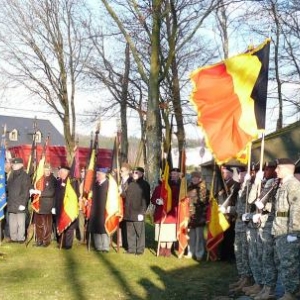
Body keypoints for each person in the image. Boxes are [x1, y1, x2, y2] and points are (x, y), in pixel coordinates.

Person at [246, 162, 279, 299]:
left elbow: (277, 206)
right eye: (263, 170)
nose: (264, 172)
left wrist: (265, 208)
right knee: (258, 256)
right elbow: (251, 200)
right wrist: (255, 184)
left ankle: (268, 288)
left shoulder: (275, 184)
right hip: (259, 224)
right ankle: (261, 284)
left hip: (268, 225)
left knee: (267, 258)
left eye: (267, 169)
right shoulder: (262, 182)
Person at [271, 158, 300, 300]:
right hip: (279, 231)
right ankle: (289, 291)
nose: (275, 170)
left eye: (278, 168)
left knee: (290, 264)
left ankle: (291, 293)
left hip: (288, 233)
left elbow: (296, 209)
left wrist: (294, 232)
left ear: (286, 169)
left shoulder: (293, 185)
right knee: (282, 263)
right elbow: (281, 210)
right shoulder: (283, 185)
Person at [228, 167, 253, 294]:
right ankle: (242, 277)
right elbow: (239, 208)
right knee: (238, 251)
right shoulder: (239, 188)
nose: (238, 176)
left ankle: (247, 279)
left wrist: (249, 184)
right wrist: (229, 210)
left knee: (244, 252)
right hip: (238, 224)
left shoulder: (250, 187)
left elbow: (250, 204)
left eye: (240, 173)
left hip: (246, 225)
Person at [151, 168, 181, 257]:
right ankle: (161, 249)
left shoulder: (176, 187)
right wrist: (157, 201)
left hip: (171, 215)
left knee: (170, 233)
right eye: (162, 176)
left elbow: (178, 200)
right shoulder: (158, 188)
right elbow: (153, 199)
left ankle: (168, 250)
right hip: (160, 214)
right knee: (162, 232)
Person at [123, 166, 150, 255]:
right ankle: (131, 249)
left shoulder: (145, 184)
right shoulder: (129, 183)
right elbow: (124, 194)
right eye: (134, 172)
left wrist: (143, 211)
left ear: (141, 174)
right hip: (129, 211)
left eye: (136, 172)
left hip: (139, 211)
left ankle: (139, 249)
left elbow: (147, 199)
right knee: (130, 232)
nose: (134, 174)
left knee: (139, 232)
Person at [31, 164, 57, 247]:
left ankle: (46, 241)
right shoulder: (40, 178)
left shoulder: (53, 180)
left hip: (48, 205)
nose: (47, 172)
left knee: (47, 225)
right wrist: (33, 191)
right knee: (38, 223)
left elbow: (51, 192)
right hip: (39, 204)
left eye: (48, 170)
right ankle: (39, 240)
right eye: (46, 170)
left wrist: (40, 193)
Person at [6, 157, 31, 243]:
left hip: (20, 203)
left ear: (21, 165)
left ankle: (21, 238)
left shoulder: (25, 176)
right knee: (12, 223)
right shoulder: (11, 175)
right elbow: (8, 188)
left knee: (21, 223)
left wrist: (23, 203)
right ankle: (13, 238)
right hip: (12, 202)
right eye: (13, 164)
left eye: (15, 164)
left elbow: (26, 191)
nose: (13, 166)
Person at [185, 171, 208, 261]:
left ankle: (199, 253)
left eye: (196, 178)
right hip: (190, 217)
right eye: (193, 178)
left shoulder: (203, 189)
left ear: (199, 179)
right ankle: (191, 252)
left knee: (200, 237)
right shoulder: (188, 188)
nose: (194, 179)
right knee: (191, 237)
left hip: (200, 217)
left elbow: (205, 204)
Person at [218, 166, 240, 261]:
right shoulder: (222, 185)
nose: (223, 174)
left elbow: (234, 199)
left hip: (231, 215)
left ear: (231, 173)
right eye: (222, 172)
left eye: (225, 172)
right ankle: (223, 255)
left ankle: (230, 256)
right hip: (222, 214)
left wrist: (229, 209)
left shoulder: (235, 185)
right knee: (223, 235)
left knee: (230, 236)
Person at [55, 165, 78, 249]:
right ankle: (61, 242)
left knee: (69, 227)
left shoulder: (72, 182)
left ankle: (68, 244)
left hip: (68, 208)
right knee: (60, 224)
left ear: (66, 172)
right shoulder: (58, 181)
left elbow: (74, 196)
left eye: (61, 171)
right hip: (59, 206)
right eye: (59, 171)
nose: (59, 173)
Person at [88, 168, 110, 252]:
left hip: (104, 210)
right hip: (95, 209)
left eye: (99, 174)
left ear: (104, 175)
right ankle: (98, 246)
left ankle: (105, 247)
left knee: (104, 229)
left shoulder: (108, 184)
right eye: (96, 174)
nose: (97, 176)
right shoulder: (95, 185)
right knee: (95, 228)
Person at [119, 163, 133, 250]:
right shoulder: (119, 180)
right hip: (120, 206)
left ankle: (128, 244)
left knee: (127, 226)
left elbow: (128, 194)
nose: (120, 172)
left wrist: (121, 192)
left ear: (127, 171)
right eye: (120, 171)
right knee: (121, 225)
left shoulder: (131, 181)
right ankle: (122, 242)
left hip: (127, 206)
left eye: (122, 171)